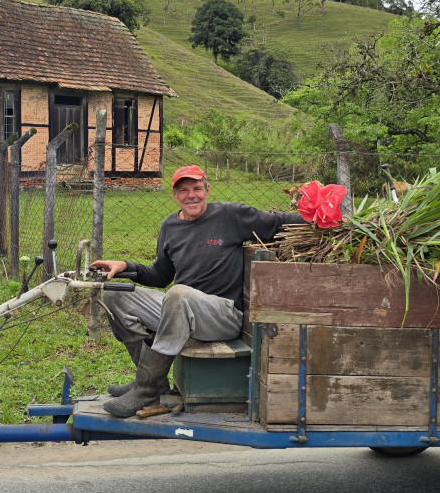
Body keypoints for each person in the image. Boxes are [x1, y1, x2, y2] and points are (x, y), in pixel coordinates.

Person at [91, 164, 306, 418]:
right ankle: (152, 379)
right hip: (180, 307)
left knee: (179, 294)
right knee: (115, 295)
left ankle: (145, 389)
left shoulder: (231, 215)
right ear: (175, 195)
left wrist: (320, 217)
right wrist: (127, 266)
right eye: (184, 190)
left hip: (222, 315)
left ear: (207, 190)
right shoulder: (169, 226)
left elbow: (279, 222)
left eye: (196, 188)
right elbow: (162, 276)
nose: (191, 195)